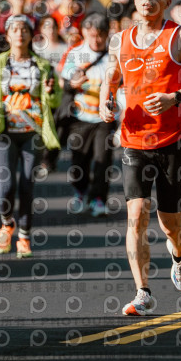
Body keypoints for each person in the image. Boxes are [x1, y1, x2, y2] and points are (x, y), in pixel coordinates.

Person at [100, 0, 181, 316]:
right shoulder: (120, 40)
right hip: (133, 140)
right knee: (136, 215)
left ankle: (179, 256)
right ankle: (143, 292)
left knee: (169, 222)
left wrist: (174, 98)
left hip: (172, 140)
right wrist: (105, 100)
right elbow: (110, 77)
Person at [0, 14, 61, 258]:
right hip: (4, 133)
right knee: (6, 186)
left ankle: (25, 237)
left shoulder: (42, 65)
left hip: (32, 134)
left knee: (27, 185)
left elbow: (55, 100)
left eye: (24, 29)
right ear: (7, 36)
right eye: (15, 29)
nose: (20, 34)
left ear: (31, 35)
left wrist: (51, 92)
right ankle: (7, 223)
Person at [61, 12, 121, 217]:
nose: (96, 40)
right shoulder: (76, 53)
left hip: (105, 119)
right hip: (79, 118)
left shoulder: (114, 55)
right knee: (79, 161)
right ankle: (80, 192)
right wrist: (73, 82)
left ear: (107, 34)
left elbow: (123, 85)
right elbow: (65, 80)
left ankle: (99, 199)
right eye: (92, 35)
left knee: (103, 159)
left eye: (101, 35)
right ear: (85, 32)